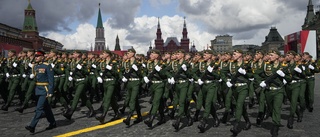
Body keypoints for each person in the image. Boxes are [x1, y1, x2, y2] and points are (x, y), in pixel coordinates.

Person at [25, 50, 56, 133]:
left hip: (44, 89)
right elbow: (34, 77)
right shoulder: (36, 66)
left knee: (39, 108)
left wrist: (50, 91)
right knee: (46, 108)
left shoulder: (47, 66)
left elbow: (51, 80)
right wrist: (29, 76)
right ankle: (52, 123)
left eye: (38, 56)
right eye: (35, 56)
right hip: (38, 89)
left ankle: (32, 126)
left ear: (42, 57)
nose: (36, 58)